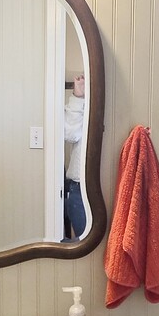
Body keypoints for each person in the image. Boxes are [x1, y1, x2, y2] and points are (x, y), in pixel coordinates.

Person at [63, 73, 87, 239]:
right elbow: (71, 135)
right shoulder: (79, 104)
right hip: (78, 187)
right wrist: (78, 96)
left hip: (105, 184)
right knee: (82, 244)